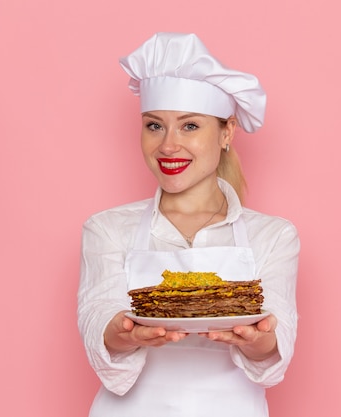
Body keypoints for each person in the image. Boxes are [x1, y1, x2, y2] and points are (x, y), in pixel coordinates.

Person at [78, 32, 300, 417]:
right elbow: (97, 317)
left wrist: (253, 340)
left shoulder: (274, 236)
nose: (167, 146)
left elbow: (276, 347)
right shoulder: (107, 228)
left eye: (190, 126)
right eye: (154, 126)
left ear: (227, 132)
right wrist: (120, 334)